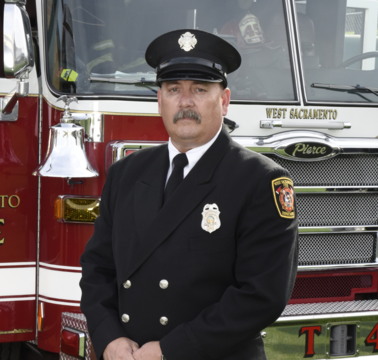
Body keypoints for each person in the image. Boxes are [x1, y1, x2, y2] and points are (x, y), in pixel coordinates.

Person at [79, 29, 299, 360]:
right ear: (159, 100)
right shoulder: (127, 173)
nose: (185, 102)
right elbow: (97, 268)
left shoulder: (259, 180)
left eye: (199, 89)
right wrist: (109, 337)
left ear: (224, 100)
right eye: (173, 90)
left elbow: (261, 295)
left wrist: (171, 350)